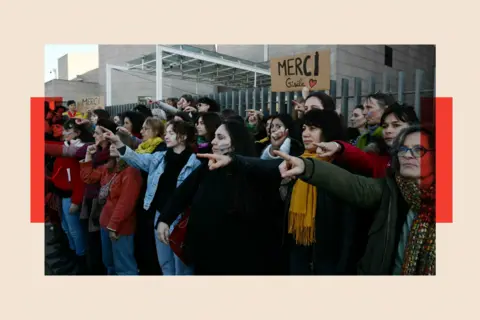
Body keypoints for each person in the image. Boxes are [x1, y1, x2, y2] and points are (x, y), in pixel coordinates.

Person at [195, 109, 359, 275]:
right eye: (304, 128)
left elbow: (347, 226)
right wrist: (233, 159)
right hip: (297, 245)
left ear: (328, 130)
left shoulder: (342, 168)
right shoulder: (298, 160)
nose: (306, 134)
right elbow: (266, 166)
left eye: (313, 129)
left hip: (327, 250)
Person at [275, 125, 436, 275]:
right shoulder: (390, 189)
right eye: (403, 149)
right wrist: (306, 166)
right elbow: (352, 184)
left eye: (418, 150)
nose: (408, 155)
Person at [156, 119, 286, 275]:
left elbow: (275, 168)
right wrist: (165, 219)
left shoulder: (252, 170)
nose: (213, 141)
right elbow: (183, 192)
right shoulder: (209, 166)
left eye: (221, 137)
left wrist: (274, 149)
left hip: (240, 256)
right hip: (205, 252)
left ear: (235, 142)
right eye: (215, 137)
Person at [105, 120, 201, 276]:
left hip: (181, 219)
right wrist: (117, 142)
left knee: (182, 267)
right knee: (165, 263)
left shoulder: (195, 162)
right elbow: (136, 159)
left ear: (183, 137)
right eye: (166, 133)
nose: (166, 136)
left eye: (171, 133)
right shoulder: (159, 158)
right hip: (160, 215)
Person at [80, 144, 143, 275]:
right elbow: (89, 177)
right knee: (109, 263)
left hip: (120, 227)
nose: (112, 147)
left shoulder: (131, 171)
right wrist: (88, 156)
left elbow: (125, 203)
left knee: (125, 267)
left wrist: (113, 225)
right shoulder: (109, 168)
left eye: (116, 143)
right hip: (106, 223)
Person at [316, 103, 419, 178]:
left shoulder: (429, 156)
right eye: (384, 126)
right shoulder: (379, 157)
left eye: (396, 125)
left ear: (412, 127)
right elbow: (362, 158)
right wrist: (338, 146)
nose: (388, 130)